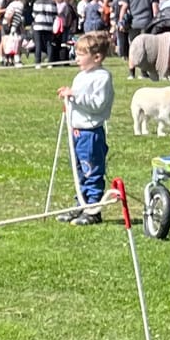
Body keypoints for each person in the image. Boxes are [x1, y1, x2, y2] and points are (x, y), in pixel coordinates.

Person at [58, 30, 112, 220]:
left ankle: (93, 209)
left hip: (91, 133)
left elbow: (97, 104)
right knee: (79, 170)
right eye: (77, 53)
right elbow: (77, 100)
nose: (77, 57)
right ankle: (80, 202)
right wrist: (68, 102)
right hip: (77, 131)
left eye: (82, 54)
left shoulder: (102, 77)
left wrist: (74, 96)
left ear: (96, 57)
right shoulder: (81, 76)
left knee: (92, 170)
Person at [30, 0, 58, 65]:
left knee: (38, 44)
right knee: (49, 44)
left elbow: (34, 14)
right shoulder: (53, 3)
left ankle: (38, 62)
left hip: (38, 26)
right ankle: (50, 62)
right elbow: (55, 15)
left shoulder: (37, 2)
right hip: (48, 26)